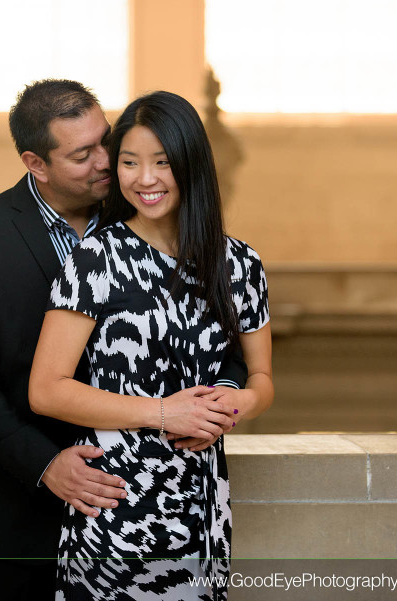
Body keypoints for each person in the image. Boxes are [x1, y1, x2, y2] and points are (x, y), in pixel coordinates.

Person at [0, 81, 249, 601]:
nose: (108, 161)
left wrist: (214, 405)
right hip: (19, 511)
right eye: (83, 154)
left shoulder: (151, 213)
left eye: (107, 140)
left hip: (145, 505)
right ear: (36, 163)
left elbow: (221, 343)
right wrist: (45, 465)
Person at [29, 91, 274, 600]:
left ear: (191, 164)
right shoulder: (95, 258)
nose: (145, 179)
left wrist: (236, 404)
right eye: (129, 162)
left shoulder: (240, 265)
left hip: (203, 507)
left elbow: (262, 382)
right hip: (116, 509)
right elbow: (47, 390)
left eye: (162, 163)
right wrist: (164, 413)